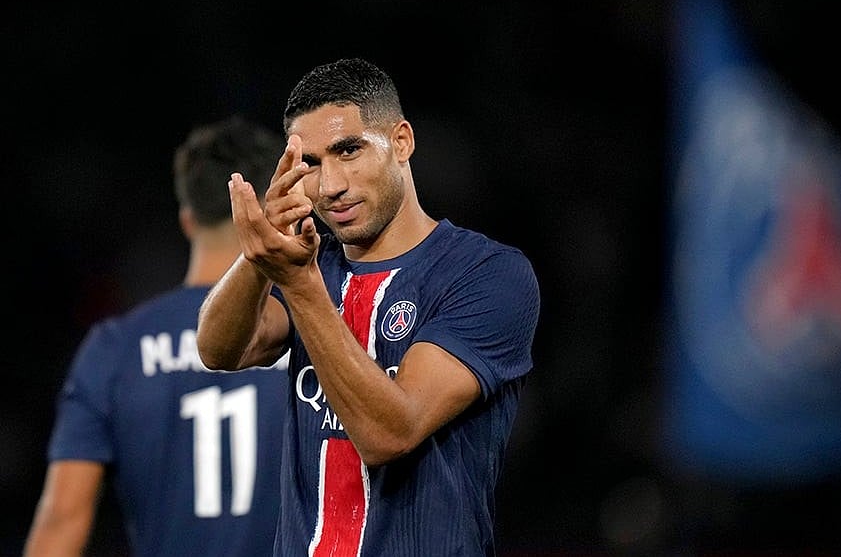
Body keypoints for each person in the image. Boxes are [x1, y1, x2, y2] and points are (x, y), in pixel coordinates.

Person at [195, 57, 541, 556]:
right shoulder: (311, 261)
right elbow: (220, 349)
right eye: (310, 163)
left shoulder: (486, 274)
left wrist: (300, 284)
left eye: (348, 150)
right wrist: (258, 255)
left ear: (401, 142)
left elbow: (389, 434)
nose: (330, 185)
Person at [23, 115, 289, 557]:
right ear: (265, 208)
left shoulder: (115, 348)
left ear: (187, 220)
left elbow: (62, 520)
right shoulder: (310, 330)